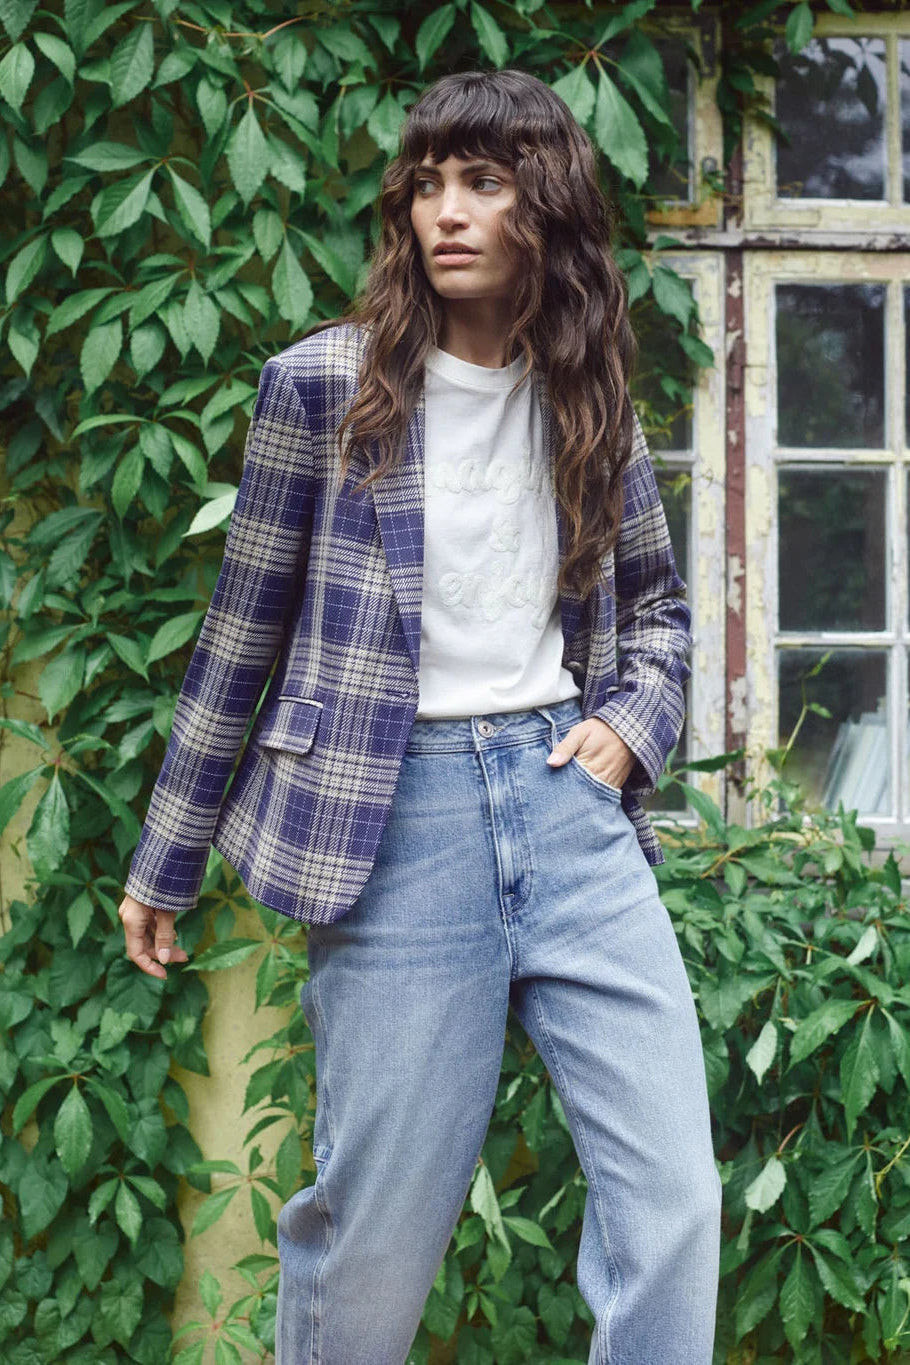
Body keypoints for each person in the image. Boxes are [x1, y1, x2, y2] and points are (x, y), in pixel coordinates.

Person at [118, 67, 722, 1365]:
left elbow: (660, 610)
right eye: (430, 183)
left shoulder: (587, 391)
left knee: (674, 1203)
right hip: (398, 824)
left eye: (485, 183)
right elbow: (241, 632)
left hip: (572, 807)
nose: (448, 211)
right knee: (374, 1240)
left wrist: (632, 725)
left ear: (544, 206)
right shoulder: (322, 388)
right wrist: (166, 857)